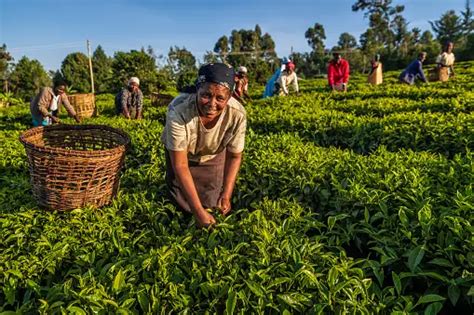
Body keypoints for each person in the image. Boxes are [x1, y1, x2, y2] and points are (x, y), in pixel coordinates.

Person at [161, 63, 247, 228]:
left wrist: (226, 195)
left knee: (212, 200)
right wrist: (198, 211)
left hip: (213, 153)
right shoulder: (179, 110)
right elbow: (180, 164)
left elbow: (234, 156)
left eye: (220, 98)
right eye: (206, 95)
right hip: (181, 154)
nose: (212, 103)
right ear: (197, 90)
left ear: (229, 97)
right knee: (180, 202)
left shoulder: (237, 114)